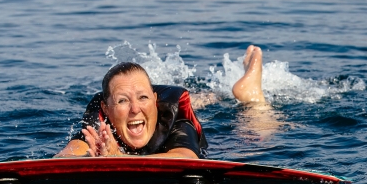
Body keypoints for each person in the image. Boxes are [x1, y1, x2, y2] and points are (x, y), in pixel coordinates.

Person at [55, 45, 266, 159]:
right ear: (106, 108)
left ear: (155, 100)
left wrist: (118, 157)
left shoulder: (175, 112)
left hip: (221, 140)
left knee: (255, 135)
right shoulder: (101, 116)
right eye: (122, 101)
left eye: (143, 98)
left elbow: (186, 158)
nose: (134, 109)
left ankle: (252, 93)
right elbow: (72, 151)